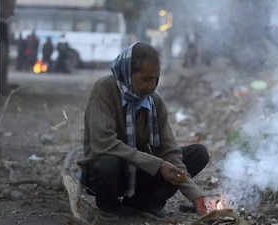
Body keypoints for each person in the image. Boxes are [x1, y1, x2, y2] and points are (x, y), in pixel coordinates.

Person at [77, 42, 211, 222]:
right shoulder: (105, 90)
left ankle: (143, 203)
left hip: (139, 170)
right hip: (106, 173)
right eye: (146, 79)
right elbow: (104, 144)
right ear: (128, 74)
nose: (152, 86)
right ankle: (109, 207)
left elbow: (169, 150)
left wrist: (196, 195)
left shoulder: (154, 102)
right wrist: (158, 165)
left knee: (198, 153)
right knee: (107, 161)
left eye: (156, 79)